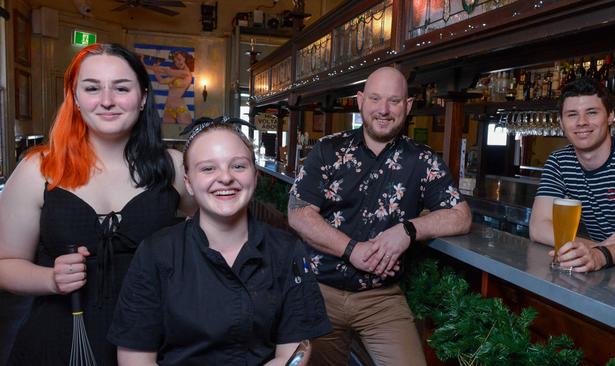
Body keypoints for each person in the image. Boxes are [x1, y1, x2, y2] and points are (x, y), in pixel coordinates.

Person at [0, 43, 195, 365]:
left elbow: (216, 234)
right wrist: (49, 279)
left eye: (121, 88)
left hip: (153, 343)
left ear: (143, 96)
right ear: (75, 98)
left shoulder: (173, 166)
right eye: (92, 88)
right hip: (57, 342)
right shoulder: (39, 168)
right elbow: (5, 263)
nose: (107, 100)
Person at [108, 117, 331, 365]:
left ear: (255, 177)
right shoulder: (155, 253)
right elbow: (134, 358)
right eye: (208, 168)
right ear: (189, 183)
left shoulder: (288, 251)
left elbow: (296, 351)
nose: (225, 178)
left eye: (238, 166)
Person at [288, 67, 472, 365]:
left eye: (394, 101)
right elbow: (298, 213)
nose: (384, 110)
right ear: (361, 101)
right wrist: (352, 250)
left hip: (380, 299)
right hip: (318, 291)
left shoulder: (422, 159)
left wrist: (407, 230)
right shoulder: (328, 149)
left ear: (408, 106)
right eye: (375, 99)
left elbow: (460, 215)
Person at [530, 78, 615, 273]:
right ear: (561, 122)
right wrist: (597, 247)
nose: (582, 122)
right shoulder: (559, 162)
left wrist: (599, 254)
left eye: (592, 113)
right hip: (598, 274)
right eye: (572, 115)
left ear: (610, 116)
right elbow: (538, 227)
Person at [149, 50, 194, 124]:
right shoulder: (176, 76)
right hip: (169, 107)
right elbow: (161, 81)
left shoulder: (186, 74)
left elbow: (167, 71)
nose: (178, 63)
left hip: (179, 107)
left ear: (185, 58)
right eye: (175, 61)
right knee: (167, 133)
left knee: (185, 132)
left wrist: (147, 66)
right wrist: (155, 70)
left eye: (179, 59)